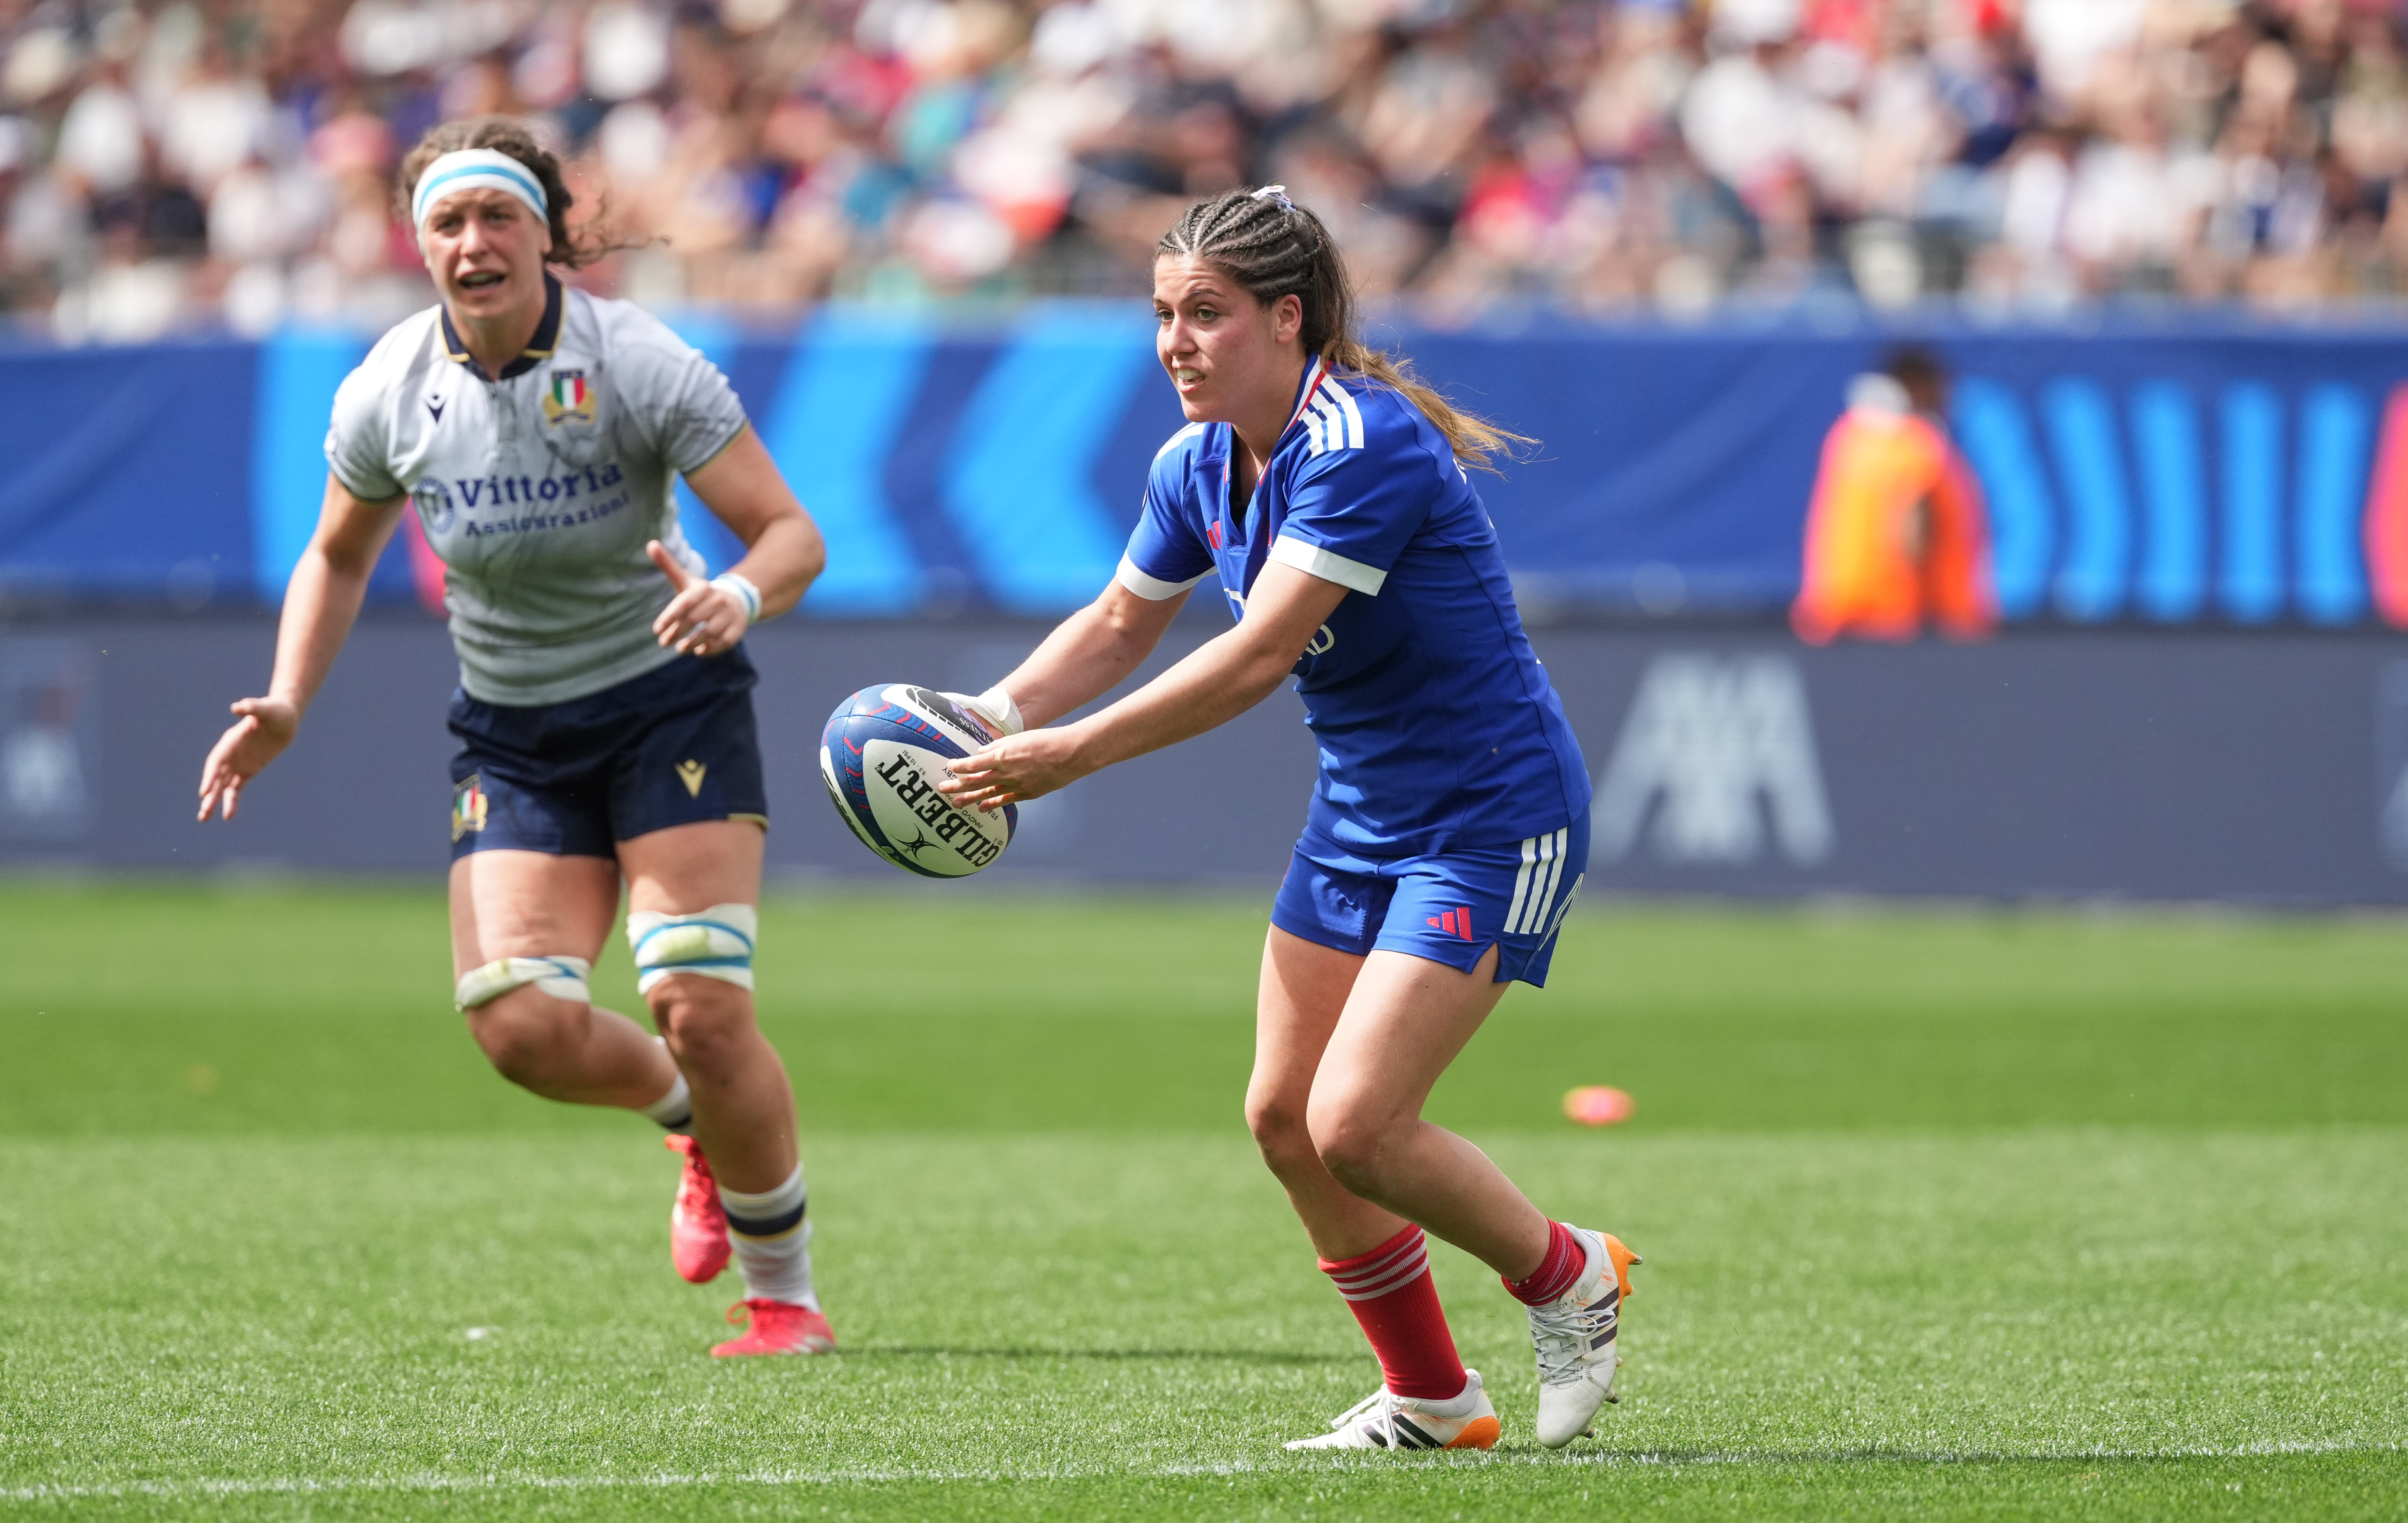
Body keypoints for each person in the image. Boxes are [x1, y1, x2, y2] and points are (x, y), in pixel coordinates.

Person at [938, 186, 1639, 1452]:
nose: (1176, 344)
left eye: (1205, 315)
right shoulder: (1196, 461)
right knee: (1283, 1119)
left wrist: (1073, 755)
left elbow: (1262, 655)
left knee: (1358, 1125)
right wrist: (979, 717)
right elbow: (1112, 626)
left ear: (1288, 316)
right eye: (1162, 316)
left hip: (1491, 810)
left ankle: (1569, 1275)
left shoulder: (1364, 441)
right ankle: (1435, 1398)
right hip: (1361, 814)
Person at [195, 118, 836, 1358]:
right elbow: (334, 556)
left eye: (498, 218)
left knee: (699, 1005)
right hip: (514, 732)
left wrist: (740, 593)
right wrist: (285, 700)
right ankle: (689, 1122)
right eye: (447, 222)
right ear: (419, 243)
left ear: (546, 235)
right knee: (518, 1026)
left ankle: (785, 1300)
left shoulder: (642, 363)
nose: (473, 243)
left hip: (670, 702)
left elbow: (793, 535)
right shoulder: (388, 390)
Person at [1791, 346, 1996, 643]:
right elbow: (1914, 529)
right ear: (1916, 385)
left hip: (1834, 616)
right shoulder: (1915, 443)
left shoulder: (1848, 433)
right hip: (1900, 618)